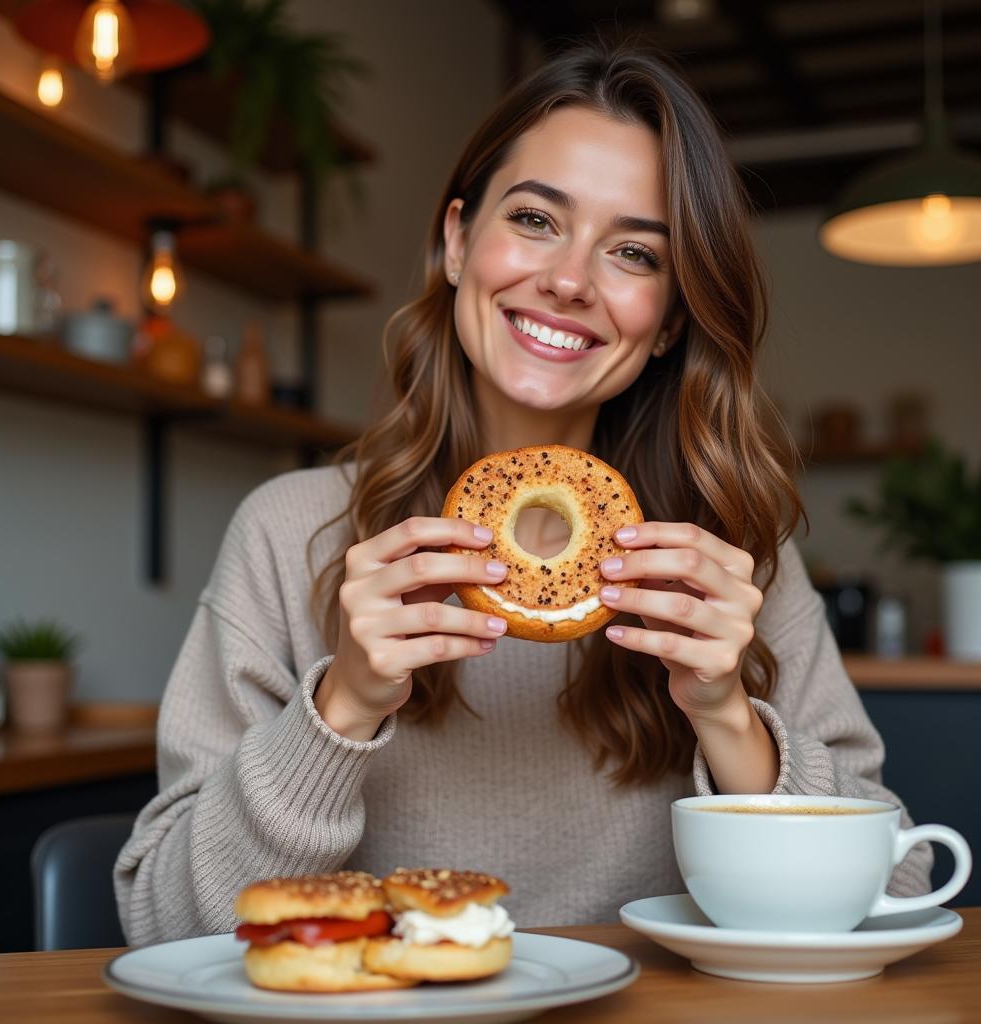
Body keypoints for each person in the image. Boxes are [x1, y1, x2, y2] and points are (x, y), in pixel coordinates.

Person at [115, 37, 931, 945]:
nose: (570, 280)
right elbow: (162, 926)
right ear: (460, 240)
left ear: (666, 324)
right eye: (537, 220)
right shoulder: (293, 531)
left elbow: (898, 883)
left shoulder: (727, 560)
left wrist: (727, 718)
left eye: (634, 254)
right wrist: (339, 705)